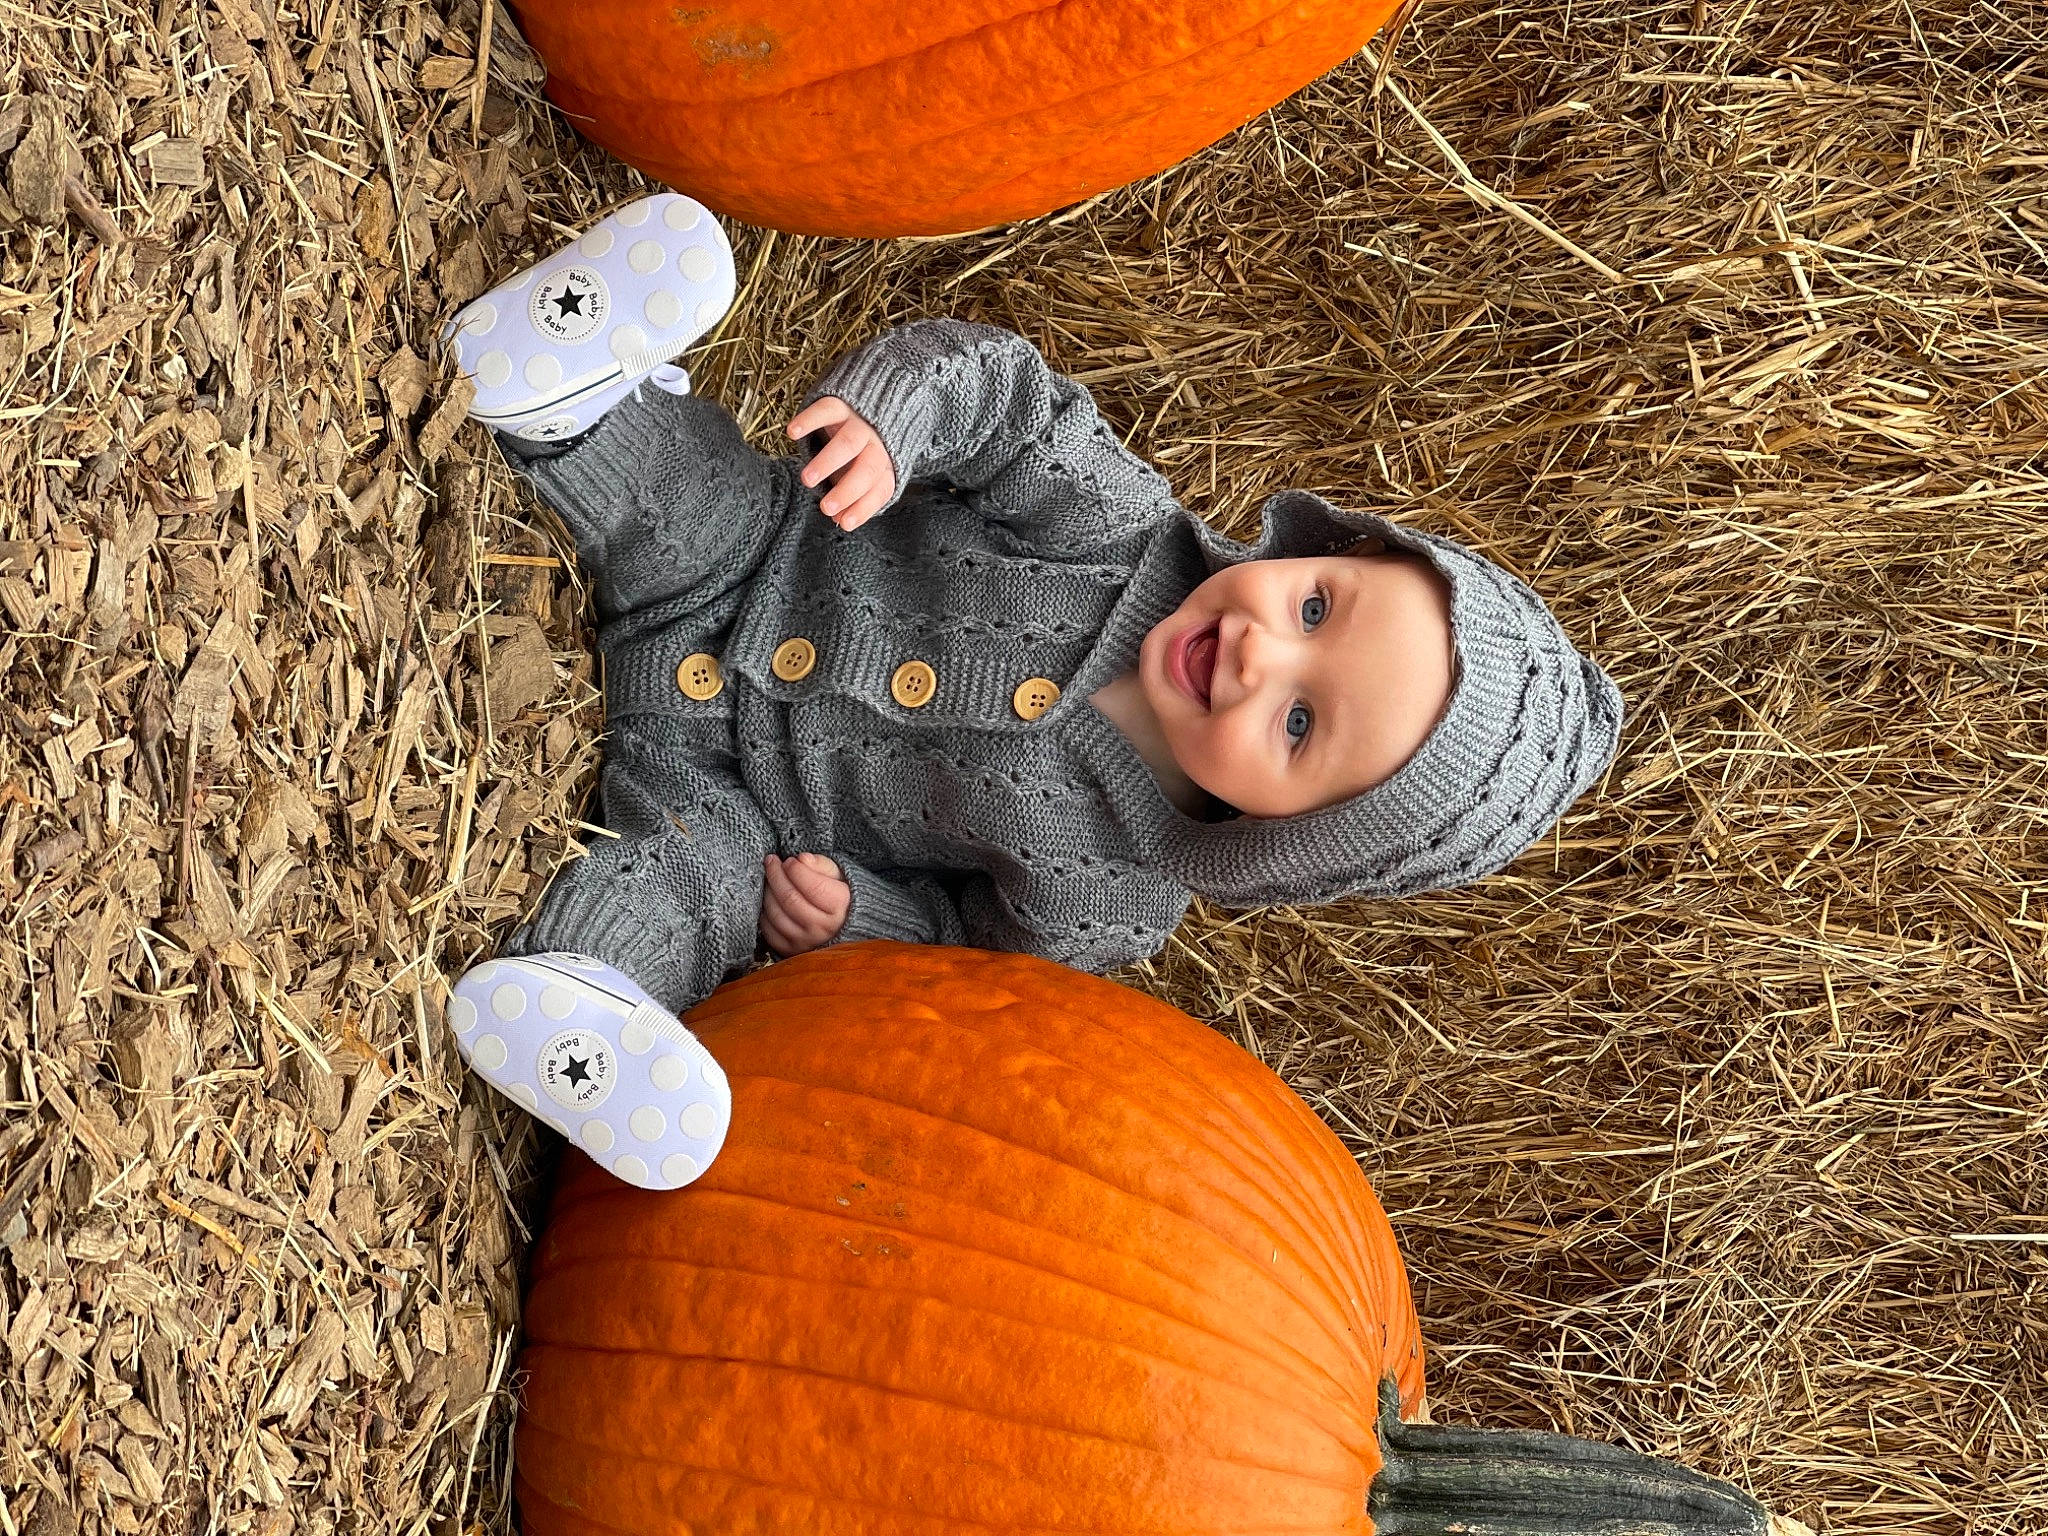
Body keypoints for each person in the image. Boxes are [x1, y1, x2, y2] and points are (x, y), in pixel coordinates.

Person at [437, 194, 1624, 1190]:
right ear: (1328, 546)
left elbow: (963, 960)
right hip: (757, 556)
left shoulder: (1111, 904)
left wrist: (858, 920)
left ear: (1289, 836)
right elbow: (1002, 398)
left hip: (737, 808)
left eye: (1299, 723)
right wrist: (895, 424)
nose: (1260, 655)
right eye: (1314, 607)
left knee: (691, 895)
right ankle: (565, 390)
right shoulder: (1117, 532)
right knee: (679, 487)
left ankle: (585, 998)